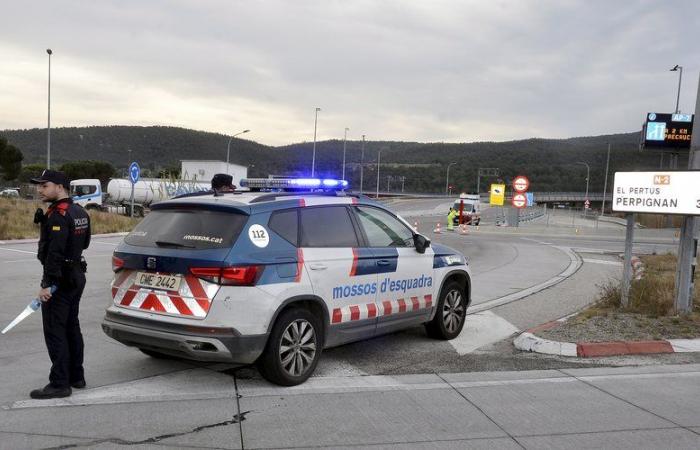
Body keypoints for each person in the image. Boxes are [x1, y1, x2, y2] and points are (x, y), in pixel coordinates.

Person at [29, 170, 91, 399]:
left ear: (60, 187)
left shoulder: (58, 215)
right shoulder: (79, 211)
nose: (39, 190)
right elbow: (85, 242)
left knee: (55, 330)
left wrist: (47, 284)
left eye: (44, 186)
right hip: (76, 274)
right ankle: (77, 376)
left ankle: (59, 383)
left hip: (61, 279)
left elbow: (53, 254)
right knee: (71, 326)